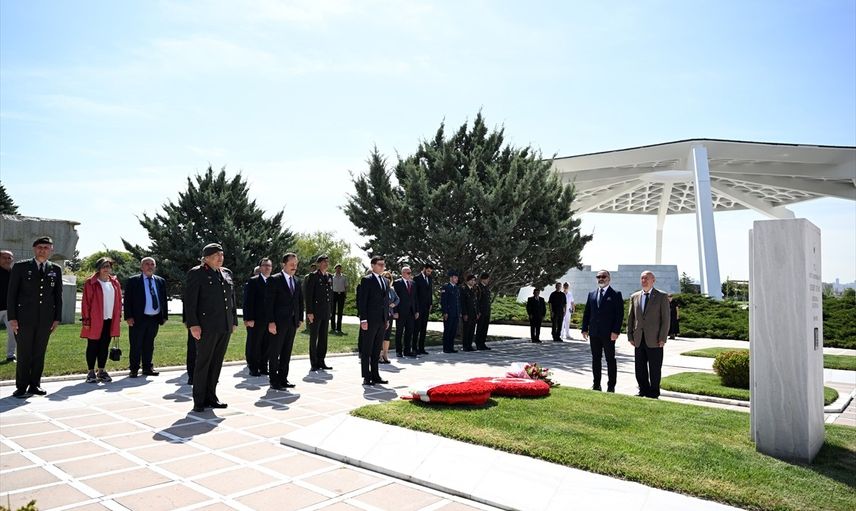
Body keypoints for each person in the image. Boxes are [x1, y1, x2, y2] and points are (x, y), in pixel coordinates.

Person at [7, 237, 63, 398]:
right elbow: (12, 294)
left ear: (51, 250)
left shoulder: (55, 269)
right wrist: (12, 318)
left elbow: (57, 295)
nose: (42, 250)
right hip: (24, 318)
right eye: (40, 247)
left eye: (46, 247)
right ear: (34, 249)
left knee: (39, 352)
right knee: (24, 353)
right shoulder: (21, 267)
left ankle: (34, 385)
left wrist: (57, 318)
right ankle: (21, 386)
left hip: (46, 319)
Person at [185, 243, 237, 412]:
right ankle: (199, 400)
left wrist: (233, 321)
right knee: (204, 362)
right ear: (206, 258)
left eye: (221, 255)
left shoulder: (226, 273)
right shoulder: (197, 273)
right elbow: (190, 302)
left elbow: (231, 299)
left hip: (224, 325)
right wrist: (193, 324)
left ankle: (211, 397)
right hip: (206, 326)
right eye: (216, 255)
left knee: (216, 362)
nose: (220, 258)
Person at [627, 271, 670, 399]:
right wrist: (630, 336)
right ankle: (643, 389)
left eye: (646, 278)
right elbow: (631, 318)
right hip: (638, 338)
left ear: (653, 280)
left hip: (655, 339)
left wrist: (662, 338)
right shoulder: (635, 296)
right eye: (642, 278)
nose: (644, 280)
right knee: (639, 367)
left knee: (655, 368)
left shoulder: (661, 296)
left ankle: (654, 392)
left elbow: (666, 319)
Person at [123, 257, 169, 378]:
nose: (150, 266)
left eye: (152, 264)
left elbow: (163, 299)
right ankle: (134, 369)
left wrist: (164, 316)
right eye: (147, 264)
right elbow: (127, 300)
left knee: (149, 344)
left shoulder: (160, 281)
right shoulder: (133, 281)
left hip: (154, 318)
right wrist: (128, 316)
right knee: (136, 344)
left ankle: (147, 368)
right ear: (141, 267)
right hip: (138, 318)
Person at [581, 270, 624, 392]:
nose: (601, 278)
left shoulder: (616, 294)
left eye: (603, 276)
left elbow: (619, 315)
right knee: (596, 359)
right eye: (598, 276)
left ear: (609, 278)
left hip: (609, 334)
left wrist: (616, 331)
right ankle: (596, 385)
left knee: (610, 359)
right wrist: (584, 329)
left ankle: (611, 386)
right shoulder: (592, 294)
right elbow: (587, 312)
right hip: (594, 333)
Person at [80, 257, 122, 383]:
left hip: (110, 319)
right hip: (95, 320)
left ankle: (101, 371)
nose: (106, 269)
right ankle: (91, 372)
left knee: (104, 346)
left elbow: (119, 301)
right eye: (103, 266)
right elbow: (85, 303)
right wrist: (86, 320)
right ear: (98, 268)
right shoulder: (91, 282)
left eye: (108, 266)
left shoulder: (114, 282)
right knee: (93, 346)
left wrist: (118, 317)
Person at [265, 253, 303, 390]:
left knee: (287, 352)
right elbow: (268, 303)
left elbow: (300, 301)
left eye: (296, 264)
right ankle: (274, 380)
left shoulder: (297, 281)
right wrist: (271, 322)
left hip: (292, 323)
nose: (294, 267)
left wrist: (300, 318)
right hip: (277, 323)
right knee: (275, 352)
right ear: (284, 264)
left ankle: (283, 378)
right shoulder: (274, 280)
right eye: (291, 264)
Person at [357, 256, 390, 385]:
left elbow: (386, 302)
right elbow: (363, 301)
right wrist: (363, 319)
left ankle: (376, 375)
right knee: (367, 349)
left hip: (381, 320)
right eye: (380, 264)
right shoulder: (367, 280)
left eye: (383, 265)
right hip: (370, 320)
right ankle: (366, 376)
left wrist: (386, 319)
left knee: (377, 349)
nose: (382, 267)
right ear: (373, 265)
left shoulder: (385, 281)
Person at [244, 258, 273, 376]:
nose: (267, 268)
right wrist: (248, 319)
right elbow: (248, 301)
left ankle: (264, 367)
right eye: (265, 265)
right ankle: (253, 367)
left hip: (269, 320)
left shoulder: (274, 281)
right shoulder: (253, 281)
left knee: (267, 344)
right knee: (254, 344)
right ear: (260, 268)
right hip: (255, 320)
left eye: (269, 266)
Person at [304, 255, 333, 371]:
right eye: (324, 262)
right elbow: (309, 295)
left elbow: (330, 295)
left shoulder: (329, 276)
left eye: (327, 262)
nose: (326, 264)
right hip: (315, 312)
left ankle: (321, 360)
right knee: (314, 337)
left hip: (325, 311)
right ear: (319, 263)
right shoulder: (313, 276)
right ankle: (314, 363)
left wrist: (330, 310)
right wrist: (309, 312)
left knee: (323, 337)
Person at [393, 267, 420, 358]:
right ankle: (398, 351)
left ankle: (407, 351)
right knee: (399, 332)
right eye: (408, 273)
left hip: (411, 312)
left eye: (410, 272)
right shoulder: (397, 283)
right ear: (403, 273)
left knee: (409, 331)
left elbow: (415, 298)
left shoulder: (413, 283)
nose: (410, 274)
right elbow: (395, 298)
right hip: (401, 312)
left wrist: (416, 311)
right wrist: (395, 311)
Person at [242, 266, 260, 373]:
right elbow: (246, 303)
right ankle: (251, 362)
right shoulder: (250, 284)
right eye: (258, 272)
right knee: (252, 342)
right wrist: (247, 319)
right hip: (252, 319)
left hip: (262, 319)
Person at [413, 263, 434, 355]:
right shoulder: (416, 278)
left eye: (430, 272)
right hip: (419, 307)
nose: (429, 273)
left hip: (426, 307)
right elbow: (415, 295)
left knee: (423, 328)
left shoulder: (430, 278)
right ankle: (414, 348)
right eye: (428, 271)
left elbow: (430, 292)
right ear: (424, 269)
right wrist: (416, 309)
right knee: (416, 328)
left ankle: (421, 348)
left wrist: (430, 303)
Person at [440, 270, 460, 353]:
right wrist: (445, 312)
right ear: (451, 278)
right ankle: (446, 348)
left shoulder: (456, 288)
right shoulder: (446, 287)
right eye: (455, 277)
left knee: (453, 331)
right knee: (447, 330)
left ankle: (451, 347)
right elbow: (443, 301)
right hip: (449, 313)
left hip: (455, 313)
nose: (457, 279)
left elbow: (458, 301)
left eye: (457, 277)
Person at [381, 271, 400, 362]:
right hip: (382, 315)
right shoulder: (380, 289)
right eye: (385, 277)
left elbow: (398, 299)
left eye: (389, 278)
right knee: (381, 335)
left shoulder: (391, 290)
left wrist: (394, 304)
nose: (387, 279)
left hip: (390, 314)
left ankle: (385, 355)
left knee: (387, 336)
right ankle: (379, 355)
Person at [0, 250, 15, 362]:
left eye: (9, 258)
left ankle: (11, 355)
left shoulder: (14, 273)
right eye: (4, 257)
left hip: (10, 309)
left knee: (13, 333)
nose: (7, 260)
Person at [460, 274, 479, 351]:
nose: (473, 282)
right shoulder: (464, 289)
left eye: (474, 280)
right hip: (467, 313)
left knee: (472, 330)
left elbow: (475, 302)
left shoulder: (473, 290)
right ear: (467, 281)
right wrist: (464, 313)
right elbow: (463, 302)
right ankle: (465, 346)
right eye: (471, 280)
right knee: (466, 330)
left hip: (473, 313)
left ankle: (469, 345)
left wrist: (477, 312)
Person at [474, 273, 492, 350]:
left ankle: (482, 343)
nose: (488, 280)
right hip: (481, 311)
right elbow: (477, 301)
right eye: (487, 279)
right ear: (482, 279)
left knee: (485, 328)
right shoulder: (478, 288)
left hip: (486, 311)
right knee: (480, 328)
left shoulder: (486, 288)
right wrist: (478, 311)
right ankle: (478, 343)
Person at [330, 263, 348, 335]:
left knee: (340, 312)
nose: (338, 270)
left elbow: (346, 287)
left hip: (341, 294)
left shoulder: (344, 277)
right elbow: (330, 286)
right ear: (335, 269)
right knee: (333, 311)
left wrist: (345, 295)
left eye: (340, 268)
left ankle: (339, 328)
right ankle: (333, 327)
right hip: (334, 294)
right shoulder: (332, 277)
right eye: (337, 268)